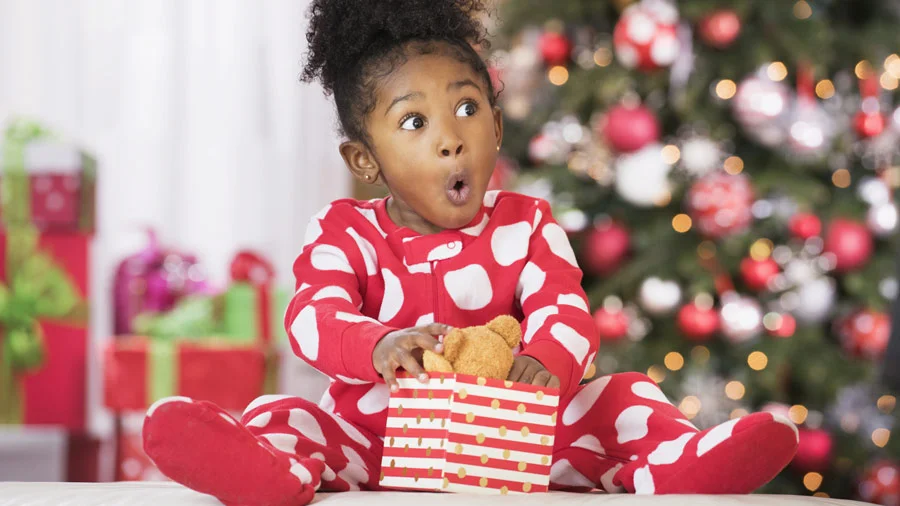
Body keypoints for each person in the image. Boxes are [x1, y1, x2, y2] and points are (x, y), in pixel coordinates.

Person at [142, 1, 799, 504]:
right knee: (288, 415)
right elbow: (313, 315)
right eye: (414, 122)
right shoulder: (344, 231)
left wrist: (546, 359)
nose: (451, 139)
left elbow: (564, 309)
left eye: (466, 107)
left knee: (624, 397)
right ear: (365, 159)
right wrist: (377, 345)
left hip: (522, 441)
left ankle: (679, 463)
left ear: (497, 122)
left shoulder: (528, 224)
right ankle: (268, 468)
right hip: (380, 437)